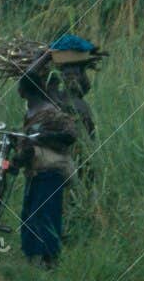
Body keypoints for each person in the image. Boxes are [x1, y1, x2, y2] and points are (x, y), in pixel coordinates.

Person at [15, 44, 96, 268]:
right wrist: (44, 57)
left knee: (48, 214)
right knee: (32, 214)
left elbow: (74, 136)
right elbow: (28, 77)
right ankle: (35, 257)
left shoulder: (58, 106)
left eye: (76, 73)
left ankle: (50, 259)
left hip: (53, 168)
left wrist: (42, 137)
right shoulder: (44, 101)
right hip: (39, 168)